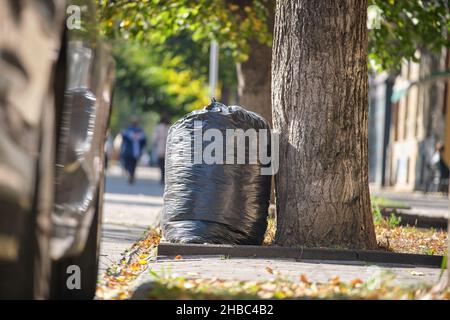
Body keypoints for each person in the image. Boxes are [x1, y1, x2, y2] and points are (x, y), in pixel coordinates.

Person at [120, 116, 147, 184]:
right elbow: (124, 137)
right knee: (130, 164)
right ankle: (130, 174)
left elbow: (143, 140)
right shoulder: (129, 130)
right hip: (130, 151)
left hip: (134, 151)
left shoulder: (139, 130)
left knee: (133, 164)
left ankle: (131, 175)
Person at [152, 114, 170, 184]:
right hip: (168, 148)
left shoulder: (158, 127)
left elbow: (155, 138)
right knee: (167, 164)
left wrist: (154, 144)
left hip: (160, 147)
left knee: (161, 163)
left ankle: (162, 177)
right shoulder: (170, 127)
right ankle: (164, 177)